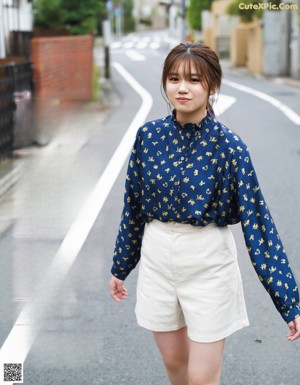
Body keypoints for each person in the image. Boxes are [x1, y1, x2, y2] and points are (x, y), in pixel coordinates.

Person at [109, 42, 300, 385]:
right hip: (157, 260)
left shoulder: (229, 146)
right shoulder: (148, 137)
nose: (182, 88)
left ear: (212, 86)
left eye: (194, 80)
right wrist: (120, 267)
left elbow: (258, 223)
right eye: (173, 78)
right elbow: (133, 206)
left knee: (201, 378)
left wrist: (289, 302)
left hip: (209, 264)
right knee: (175, 365)